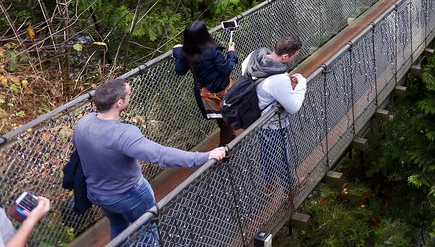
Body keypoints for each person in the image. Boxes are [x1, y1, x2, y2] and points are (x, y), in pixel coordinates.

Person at [73, 79, 226, 244]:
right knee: (147, 230)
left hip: (98, 194)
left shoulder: (83, 123)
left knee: (119, 226)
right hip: (128, 194)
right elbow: (161, 155)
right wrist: (204, 156)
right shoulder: (123, 134)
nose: (130, 96)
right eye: (128, 94)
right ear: (119, 103)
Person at [241, 37, 307, 190]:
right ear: (285, 56)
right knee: (282, 154)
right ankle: (289, 185)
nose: (294, 58)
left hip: (258, 116)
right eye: (294, 55)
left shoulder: (254, 57)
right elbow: (293, 107)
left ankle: (269, 182)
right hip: (274, 122)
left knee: (266, 151)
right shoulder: (278, 79)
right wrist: (301, 85)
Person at [173, 21, 239, 144]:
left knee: (221, 120)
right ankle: (226, 150)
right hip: (221, 90)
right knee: (224, 121)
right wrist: (231, 53)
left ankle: (231, 139)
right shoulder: (213, 51)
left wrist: (177, 52)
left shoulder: (186, 53)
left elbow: (180, 70)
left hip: (205, 93)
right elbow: (226, 70)